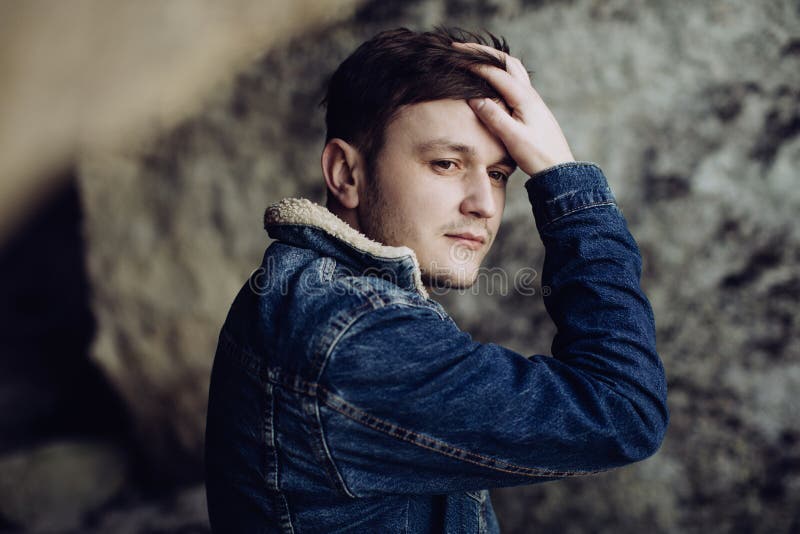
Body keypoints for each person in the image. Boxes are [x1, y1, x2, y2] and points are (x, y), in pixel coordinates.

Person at [204, 26, 668, 533]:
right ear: (345, 173)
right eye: (446, 163)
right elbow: (624, 409)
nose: (484, 204)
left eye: (498, 174)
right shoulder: (352, 334)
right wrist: (563, 178)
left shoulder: (314, 288)